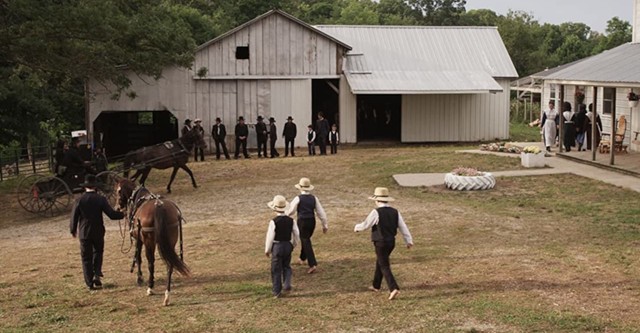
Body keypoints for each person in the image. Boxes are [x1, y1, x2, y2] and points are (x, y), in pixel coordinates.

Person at [354, 187, 413, 301]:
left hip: (380, 242)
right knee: (381, 261)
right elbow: (403, 227)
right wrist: (408, 240)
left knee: (384, 265)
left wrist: (357, 228)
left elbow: (366, 224)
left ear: (376, 200)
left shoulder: (376, 212)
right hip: (391, 242)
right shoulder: (395, 212)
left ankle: (393, 287)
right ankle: (376, 285)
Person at [70, 174, 125, 290]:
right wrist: (123, 214)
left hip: (84, 232)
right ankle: (97, 274)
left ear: (85, 187)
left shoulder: (79, 200)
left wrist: (73, 230)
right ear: (95, 187)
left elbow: (74, 217)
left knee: (86, 257)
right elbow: (111, 215)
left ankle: (89, 283)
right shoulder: (101, 199)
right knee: (98, 252)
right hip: (98, 231)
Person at [285, 178, 328, 274]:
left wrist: (284, 215)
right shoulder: (314, 198)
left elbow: (291, 211)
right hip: (312, 222)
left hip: (302, 221)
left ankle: (312, 263)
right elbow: (321, 212)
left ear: (300, 188)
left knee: (305, 240)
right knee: (306, 239)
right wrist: (325, 225)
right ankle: (302, 258)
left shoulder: (298, 198)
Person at [265, 195, 300, 298]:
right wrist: (293, 244)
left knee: (276, 269)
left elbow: (270, 237)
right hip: (287, 244)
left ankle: (277, 291)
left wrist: (267, 250)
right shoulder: (291, 221)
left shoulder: (273, 222)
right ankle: (287, 283)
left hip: (277, 246)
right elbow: (296, 234)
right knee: (286, 266)